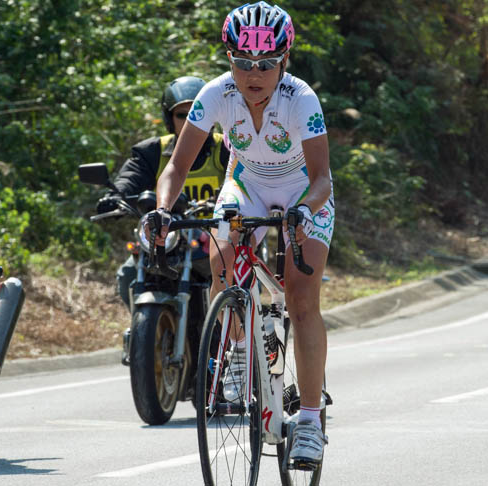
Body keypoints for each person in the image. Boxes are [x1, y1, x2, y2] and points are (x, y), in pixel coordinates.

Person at [147, 2, 334, 467]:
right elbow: (175, 167)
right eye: (243, 63)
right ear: (229, 59)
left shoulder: (301, 99)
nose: (254, 74)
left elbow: (322, 180)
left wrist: (303, 212)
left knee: (301, 296)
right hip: (246, 183)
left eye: (266, 64)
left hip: (301, 190)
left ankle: (309, 422)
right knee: (221, 260)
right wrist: (161, 211)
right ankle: (234, 353)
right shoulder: (216, 94)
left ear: (284, 61)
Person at [96, 76, 229, 310]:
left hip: (216, 238)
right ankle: (146, 335)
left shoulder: (227, 147)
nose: (192, 120)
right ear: (169, 119)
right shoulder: (152, 151)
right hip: (167, 237)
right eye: (182, 115)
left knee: (236, 274)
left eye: (198, 112)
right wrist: (115, 198)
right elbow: (131, 178)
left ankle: (239, 336)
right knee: (128, 273)